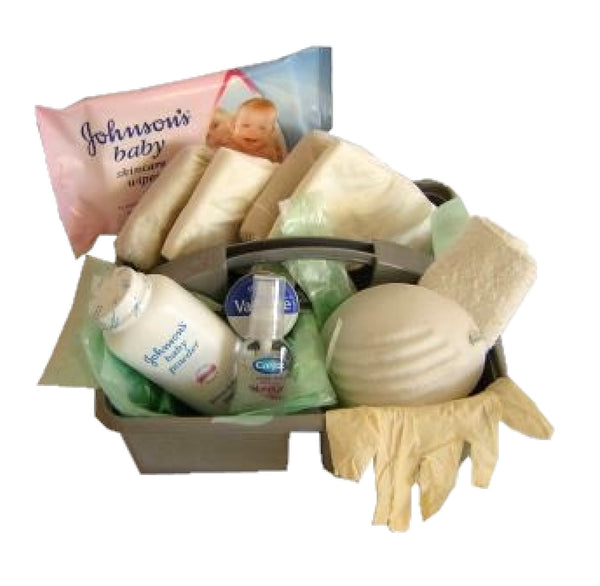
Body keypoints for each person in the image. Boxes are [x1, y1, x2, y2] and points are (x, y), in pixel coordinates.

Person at [228, 97, 287, 162]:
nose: (253, 132)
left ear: (271, 132)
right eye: (246, 125)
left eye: (262, 128)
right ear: (234, 126)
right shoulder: (228, 143)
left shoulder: (268, 153)